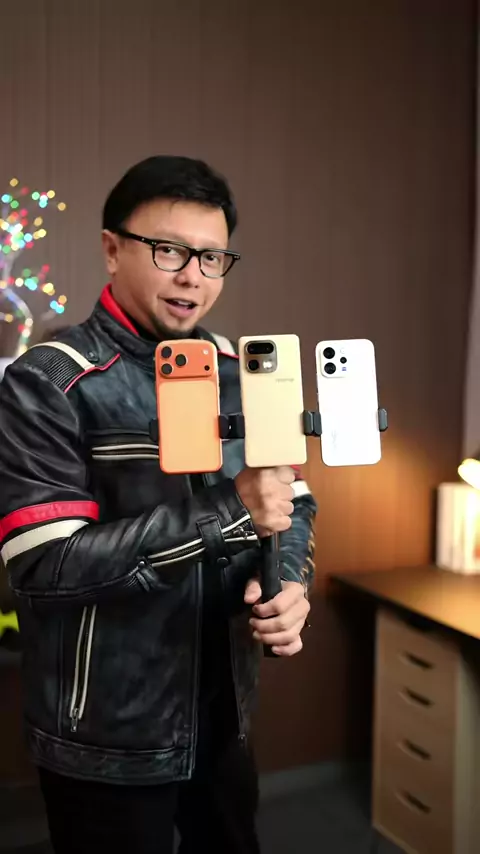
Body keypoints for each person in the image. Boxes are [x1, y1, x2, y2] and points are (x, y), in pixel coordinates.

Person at [0, 156, 316, 854]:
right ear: (112, 248)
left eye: (211, 257)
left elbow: (291, 501)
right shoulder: (47, 382)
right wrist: (230, 511)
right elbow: (45, 567)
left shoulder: (237, 370)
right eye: (169, 250)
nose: (192, 276)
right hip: (104, 734)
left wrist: (290, 580)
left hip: (223, 713)